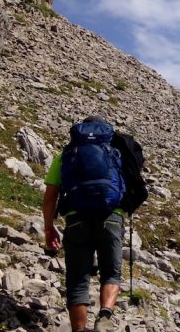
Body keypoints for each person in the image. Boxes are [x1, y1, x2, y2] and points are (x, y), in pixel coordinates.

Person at [42, 115, 128, 332]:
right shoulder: (114, 154)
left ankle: (79, 330)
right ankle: (105, 315)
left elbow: (50, 197)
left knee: (78, 281)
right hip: (111, 217)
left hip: (75, 218)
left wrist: (49, 227)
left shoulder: (65, 155)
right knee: (111, 273)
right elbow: (128, 188)